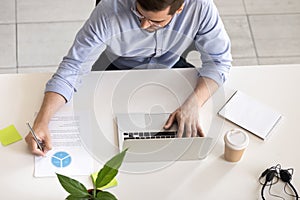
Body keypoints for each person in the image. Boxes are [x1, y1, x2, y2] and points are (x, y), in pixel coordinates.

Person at [25, 0, 232, 156]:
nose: (143, 25)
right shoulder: (109, 10)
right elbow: (73, 67)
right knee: (105, 143)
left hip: (169, 71)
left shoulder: (201, 7)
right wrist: (42, 121)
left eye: (155, 21)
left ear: (179, 9)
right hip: (116, 69)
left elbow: (218, 61)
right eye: (139, 14)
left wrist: (195, 102)